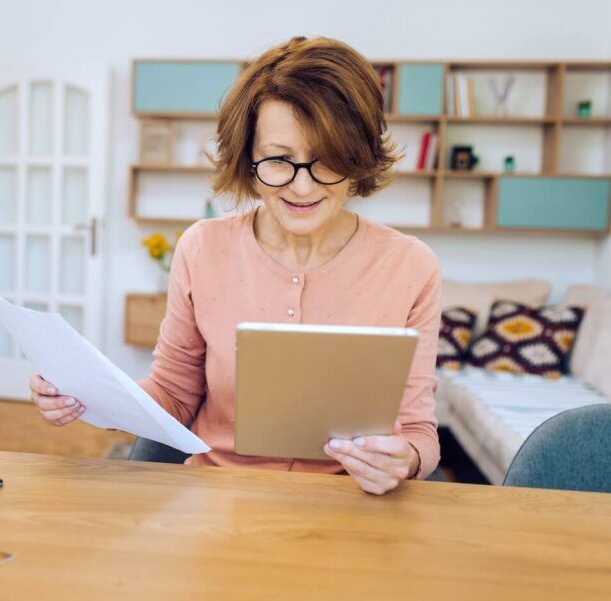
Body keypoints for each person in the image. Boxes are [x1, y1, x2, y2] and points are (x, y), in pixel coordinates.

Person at [30, 36, 441, 495]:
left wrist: (405, 460)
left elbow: (418, 429)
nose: (302, 188)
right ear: (249, 157)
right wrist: (93, 396)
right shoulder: (203, 248)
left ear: (358, 157)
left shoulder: (410, 266)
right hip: (216, 501)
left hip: (350, 505)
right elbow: (174, 394)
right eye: (279, 160)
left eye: (327, 159)